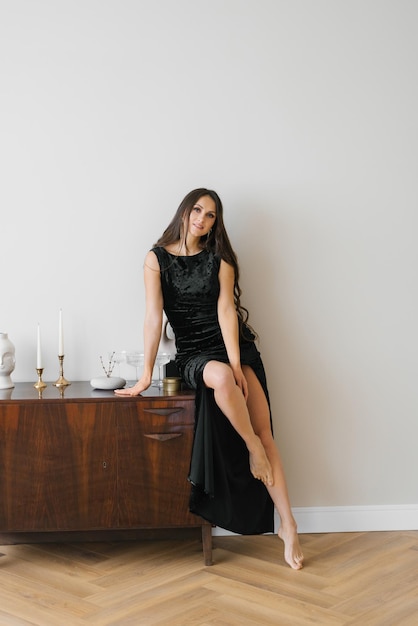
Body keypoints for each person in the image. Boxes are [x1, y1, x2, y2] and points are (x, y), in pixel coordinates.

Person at [115, 188, 304, 570]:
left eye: (211, 215)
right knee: (224, 386)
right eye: (197, 210)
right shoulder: (157, 259)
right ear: (184, 211)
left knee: (267, 430)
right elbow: (154, 319)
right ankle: (251, 448)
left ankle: (289, 524)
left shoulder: (220, 258)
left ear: (216, 222)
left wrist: (237, 363)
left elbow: (226, 311)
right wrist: (145, 375)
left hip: (233, 346)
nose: (202, 219)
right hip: (193, 354)